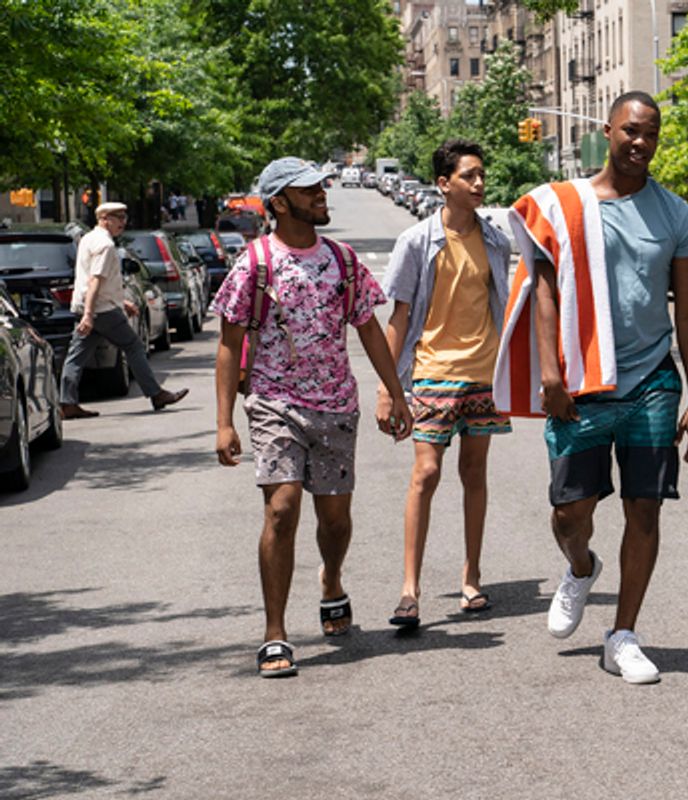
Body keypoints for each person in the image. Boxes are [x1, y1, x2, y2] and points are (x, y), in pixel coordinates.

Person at [493, 91, 688, 684]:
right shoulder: (564, 206)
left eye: (652, 134)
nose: (642, 143)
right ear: (608, 131)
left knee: (646, 509)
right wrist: (549, 373)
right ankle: (581, 567)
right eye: (632, 131)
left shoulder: (675, 215)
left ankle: (624, 635)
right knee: (569, 512)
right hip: (580, 384)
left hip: (652, 384)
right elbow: (543, 290)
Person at [210, 157, 408, 678]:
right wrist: (224, 420)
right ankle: (275, 632)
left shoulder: (343, 261)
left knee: (335, 520)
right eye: (309, 189)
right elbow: (230, 344)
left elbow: (368, 327)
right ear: (279, 202)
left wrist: (397, 392)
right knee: (282, 509)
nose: (322, 193)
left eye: (321, 185)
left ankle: (332, 579)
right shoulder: (255, 263)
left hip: (337, 405)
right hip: (275, 404)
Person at [376, 139, 512, 628]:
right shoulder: (416, 241)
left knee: (475, 476)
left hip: (483, 372)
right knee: (425, 474)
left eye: (481, 176)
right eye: (469, 176)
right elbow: (399, 317)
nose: (478, 184)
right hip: (432, 371)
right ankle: (409, 589)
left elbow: (507, 308)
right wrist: (389, 390)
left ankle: (471, 576)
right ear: (443, 184)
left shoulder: (496, 240)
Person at [59, 201, 189, 420]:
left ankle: (67, 403)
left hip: (91, 306)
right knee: (133, 346)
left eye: (124, 217)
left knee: (76, 356)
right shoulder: (105, 245)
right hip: (101, 310)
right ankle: (156, 394)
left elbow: (102, 281)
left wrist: (120, 302)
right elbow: (95, 281)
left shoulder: (88, 239)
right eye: (118, 218)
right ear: (104, 219)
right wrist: (91, 314)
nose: (123, 222)